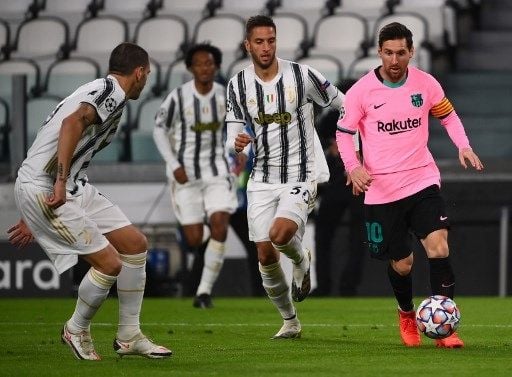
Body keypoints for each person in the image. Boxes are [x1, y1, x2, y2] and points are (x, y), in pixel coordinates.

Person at [7, 42, 172, 360]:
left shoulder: (101, 90)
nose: (147, 80)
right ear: (139, 73)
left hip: (72, 186)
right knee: (109, 263)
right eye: (147, 74)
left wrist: (35, 212)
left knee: (134, 244)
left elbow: (59, 131)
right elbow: (71, 125)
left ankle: (129, 336)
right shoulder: (111, 91)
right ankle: (76, 329)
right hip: (49, 185)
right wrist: (54, 185)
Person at [336, 22, 484, 348]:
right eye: (388, 52)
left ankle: (445, 328)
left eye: (400, 52)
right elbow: (344, 134)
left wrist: (463, 145)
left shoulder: (425, 83)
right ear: (379, 52)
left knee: (439, 246)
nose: (394, 59)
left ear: (411, 52)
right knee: (402, 264)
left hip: (422, 179)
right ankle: (406, 313)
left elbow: (448, 116)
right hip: (381, 190)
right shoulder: (361, 91)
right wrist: (353, 167)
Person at [225, 15, 344, 339]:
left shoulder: (301, 75)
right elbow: (233, 131)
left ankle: (301, 262)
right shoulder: (238, 84)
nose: (266, 47)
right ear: (247, 45)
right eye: (259, 42)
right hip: (262, 177)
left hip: (301, 172)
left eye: (271, 40)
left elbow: (340, 101)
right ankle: (290, 320)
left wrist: (353, 140)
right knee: (264, 254)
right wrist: (235, 142)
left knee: (280, 234)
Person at [153, 43, 240, 309]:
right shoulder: (178, 98)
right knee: (193, 238)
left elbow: (235, 128)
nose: (205, 67)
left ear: (216, 66)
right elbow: (159, 130)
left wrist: (237, 150)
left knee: (220, 224)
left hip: (216, 171)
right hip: (185, 175)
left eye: (210, 63)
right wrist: (173, 163)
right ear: (190, 68)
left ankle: (203, 292)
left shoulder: (224, 96)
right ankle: (206, 258)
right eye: (200, 63)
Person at [314, 83, 365, 296]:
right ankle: (327, 286)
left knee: (357, 238)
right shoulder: (332, 117)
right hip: (337, 183)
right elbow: (316, 138)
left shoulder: (367, 116)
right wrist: (330, 145)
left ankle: (346, 286)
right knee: (327, 235)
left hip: (360, 183)